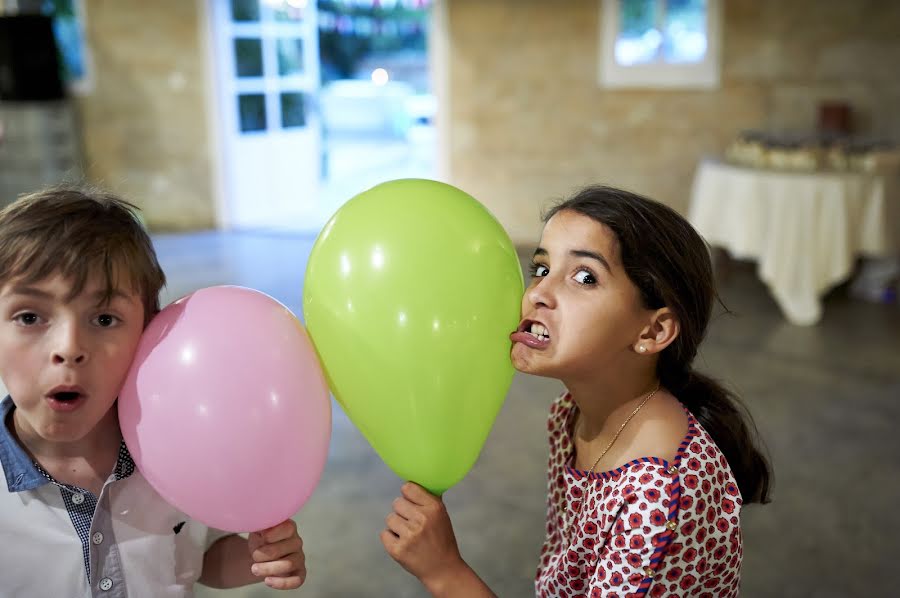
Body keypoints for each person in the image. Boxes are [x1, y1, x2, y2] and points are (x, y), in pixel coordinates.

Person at [381, 185, 772, 597]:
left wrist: (445, 572)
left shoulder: (657, 498)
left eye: (584, 277)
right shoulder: (569, 413)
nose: (537, 295)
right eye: (541, 269)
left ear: (653, 330)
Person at [0, 186, 307, 596]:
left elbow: (197, 559)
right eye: (30, 316)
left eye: (105, 319)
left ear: (149, 331)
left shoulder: (182, 448)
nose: (69, 348)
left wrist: (259, 557)